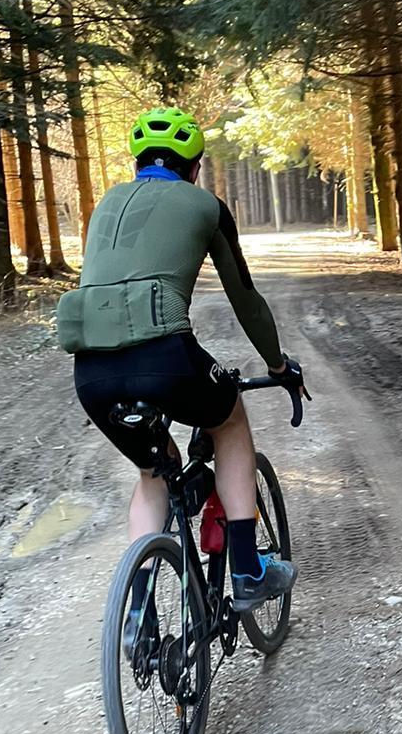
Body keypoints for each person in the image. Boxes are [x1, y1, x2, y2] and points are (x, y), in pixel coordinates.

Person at [57, 107, 302, 637]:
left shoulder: (106, 204)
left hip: (91, 372)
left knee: (153, 472)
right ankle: (248, 569)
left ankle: (138, 614)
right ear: (194, 167)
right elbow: (245, 299)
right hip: (164, 357)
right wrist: (278, 365)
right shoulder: (205, 205)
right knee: (230, 421)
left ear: (139, 163)